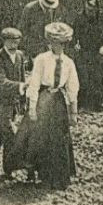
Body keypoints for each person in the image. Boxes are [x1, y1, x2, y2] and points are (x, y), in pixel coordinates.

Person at [18, 20, 80, 189]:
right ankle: (35, 171)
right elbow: (35, 83)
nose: (58, 47)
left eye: (61, 44)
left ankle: (57, 177)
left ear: (65, 44)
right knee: (38, 134)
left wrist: (73, 113)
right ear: (49, 42)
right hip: (43, 98)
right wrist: (32, 108)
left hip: (58, 100)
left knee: (59, 138)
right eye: (54, 43)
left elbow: (72, 87)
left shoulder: (68, 62)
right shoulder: (42, 59)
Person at [0, 27, 29, 174]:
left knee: (2, 130)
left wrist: (22, 100)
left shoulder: (20, 56)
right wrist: (20, 86)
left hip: (13, 100)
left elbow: (22, 76)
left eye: (16, 41)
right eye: (10, 41)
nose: (13, 45)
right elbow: (0, 82)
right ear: (4, 41)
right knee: (9, 132)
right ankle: (8, 168)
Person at [72, 0, 103, 111]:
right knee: (83, 76)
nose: (90, 12)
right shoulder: (79, 18)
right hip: (84, 52)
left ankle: (98, 103)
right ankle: (82, 103)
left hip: (98, 52)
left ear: (96, 8)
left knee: (99, 76)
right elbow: (74, 35)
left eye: (92, 10)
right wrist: (75, 45)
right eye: (88, 9)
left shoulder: (102, 19)